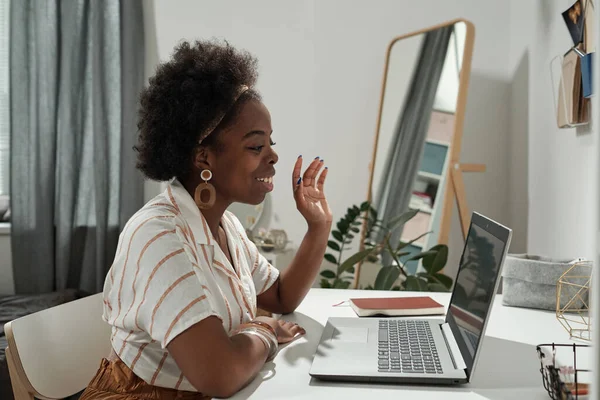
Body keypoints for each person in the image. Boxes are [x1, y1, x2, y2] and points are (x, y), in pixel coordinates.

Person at [80, 39, 332, 399]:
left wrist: (318, 226)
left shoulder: (224, 227)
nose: (273, 156)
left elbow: (280, 296)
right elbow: (220, 374)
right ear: (203, 158)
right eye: (256, 146)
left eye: (270, 143)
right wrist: (263, 329)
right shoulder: (158, 237)